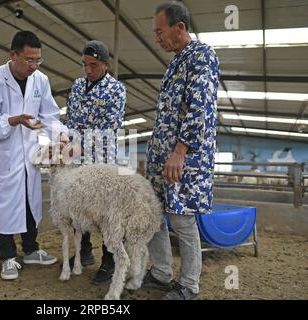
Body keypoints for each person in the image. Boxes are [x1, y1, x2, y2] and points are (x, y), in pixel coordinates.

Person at [0, 31, 69, 280]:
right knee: (5, 206)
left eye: (38, 60)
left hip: (30, 155)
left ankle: (31, 250)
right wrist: (12, 120)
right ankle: (7, 257)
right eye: (29, 59)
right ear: (13, 54)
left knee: (30, 202)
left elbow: (50, 115)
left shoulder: (41, 80)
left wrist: (60, 135)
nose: (34, 65)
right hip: (6, 157)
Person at [144, 2, 220, 300]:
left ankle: (188, 286)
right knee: (153, 213)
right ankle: (162, 273)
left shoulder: (202, 56)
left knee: (182, 218)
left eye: (160, 32)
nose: (157, 38)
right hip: (161, 155)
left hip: (185, 157)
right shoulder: (175, 63)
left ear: (180, 27)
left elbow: (200, 108)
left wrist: (179, 151)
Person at [65, 40, 126, 285]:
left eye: (94, 65)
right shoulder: (78, 86)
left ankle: (109, 262)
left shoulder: (116, 89)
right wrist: (68, 142)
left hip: (102, 160)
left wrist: (83, 143)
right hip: (78, 159)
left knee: (104, 213)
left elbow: (110, 126)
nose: (88, 70)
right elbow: (71, 119)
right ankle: (85, 252)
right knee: (79, 209)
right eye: (85, 65)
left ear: (105, 64)